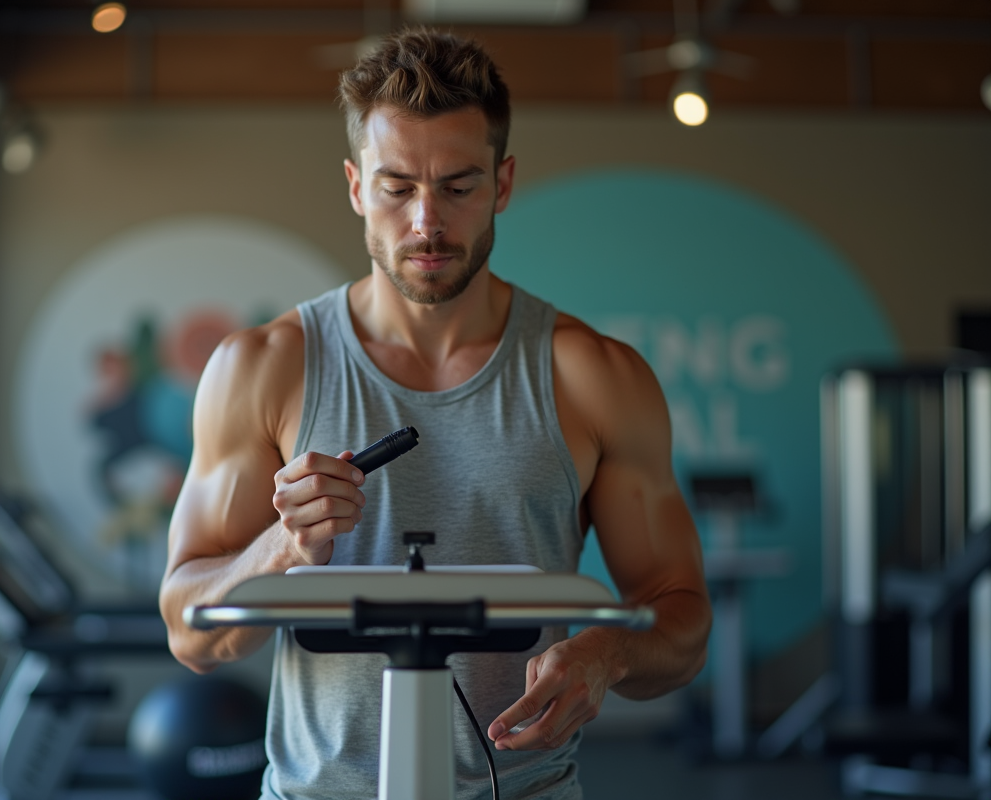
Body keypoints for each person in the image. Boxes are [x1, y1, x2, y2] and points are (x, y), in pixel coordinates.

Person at [160, 28, 711, 800]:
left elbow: (680, 619)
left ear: (503, 182)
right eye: (397, 188)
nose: (426, 222)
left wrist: (605, 656)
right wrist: (280, 550)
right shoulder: (263, 367)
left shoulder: (594, 377)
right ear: (356, 186)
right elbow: (193, 634)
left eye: (458, 186)